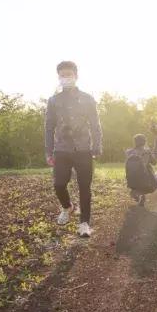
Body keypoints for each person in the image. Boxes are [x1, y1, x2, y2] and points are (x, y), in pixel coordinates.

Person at [44, 61, 102, 238]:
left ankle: (84, 223)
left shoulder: (87, 99)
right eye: (62, 75)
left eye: (68, 74)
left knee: (85, 187)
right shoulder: (53, 101)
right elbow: (49, 127)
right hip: (61, 149)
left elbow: (95, 124)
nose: (65, 78)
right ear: (58, 77)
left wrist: (97, 145)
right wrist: (49, 150)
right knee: (59, 184)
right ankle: (67, 207)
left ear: (76, 76)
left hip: (84, 149)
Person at [125, 134, 157, 206]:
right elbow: (154, 163)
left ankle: (140, 195)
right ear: (144, 142)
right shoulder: (147, 151)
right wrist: (152, 152)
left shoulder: (129, 152)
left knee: (142, 173)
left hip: (132, 183)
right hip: (148, 184)